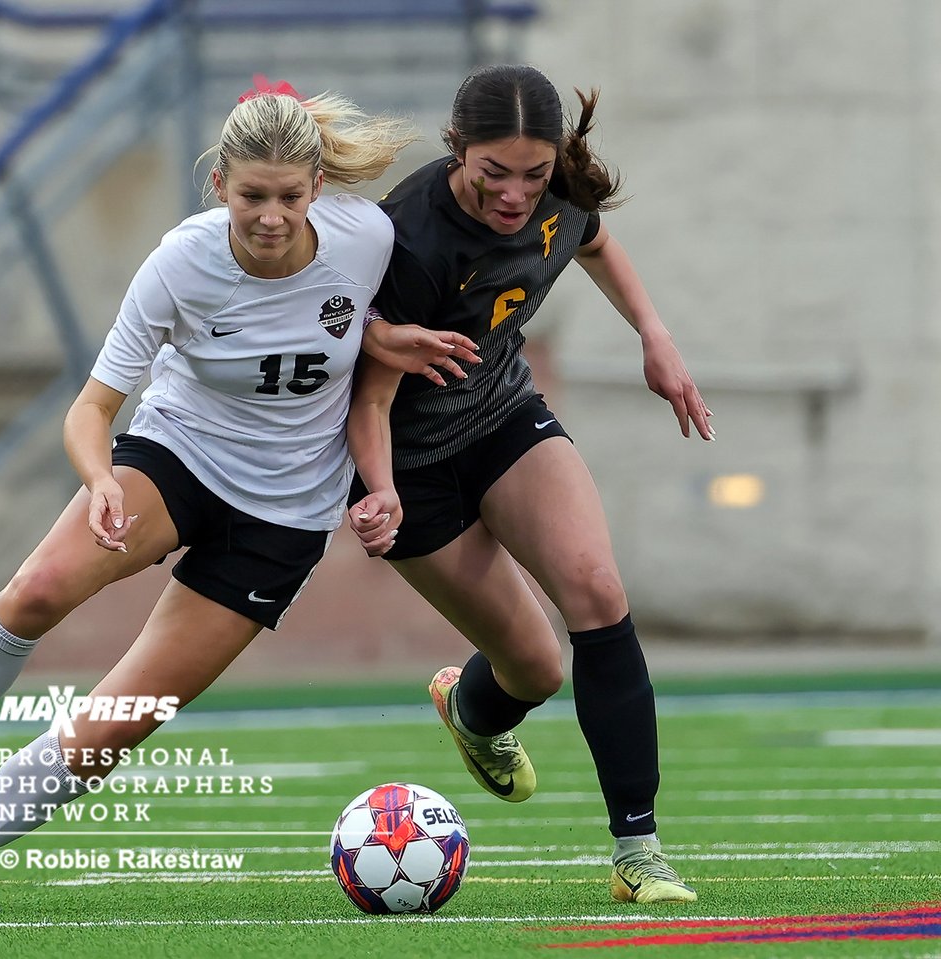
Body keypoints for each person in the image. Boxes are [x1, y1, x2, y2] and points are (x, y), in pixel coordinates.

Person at [0, 79, 478, 913]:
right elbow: (92, 407)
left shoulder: (366, 235)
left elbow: (348, 325)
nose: (270, 217)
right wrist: (97, 482)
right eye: (250, 198)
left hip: (284, 515)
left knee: (124, 716)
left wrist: (380, 391)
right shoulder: (180, 261)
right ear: (218, 187)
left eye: (289, 197)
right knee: (37, 589)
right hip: (177, 457)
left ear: (317, 190)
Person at [350, 64, 714, 905]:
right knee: (535, 669)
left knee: (596, 588)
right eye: (494, 174)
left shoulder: (560, 192)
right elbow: (365, 393)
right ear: (458, 150)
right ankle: (472, 710)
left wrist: (654, 336)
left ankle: (639, 850)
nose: (516, 196)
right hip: (407, 464)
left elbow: (596, 241)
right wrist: (380, 489)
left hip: (503, 416)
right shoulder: (409, 236)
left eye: (534, 174)